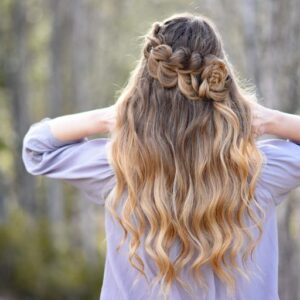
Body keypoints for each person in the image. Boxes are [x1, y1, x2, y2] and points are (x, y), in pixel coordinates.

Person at [22, 12, 300, 300]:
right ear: (220, 79)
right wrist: (271, 121)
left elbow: (37, 147)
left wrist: (110, 117)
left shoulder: (118, 168)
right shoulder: (258, 171)